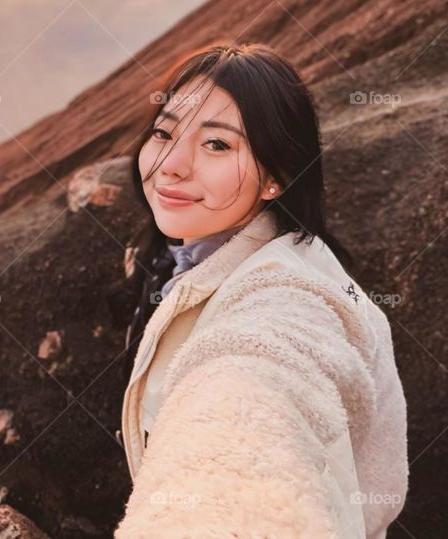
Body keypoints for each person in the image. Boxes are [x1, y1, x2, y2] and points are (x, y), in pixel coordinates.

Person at [113, 42, 409, 538]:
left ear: (275, 178)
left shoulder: (288, 297)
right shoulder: (187, 252)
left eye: (217, 145)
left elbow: (253, 394)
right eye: (164, 132)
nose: (172, 164)